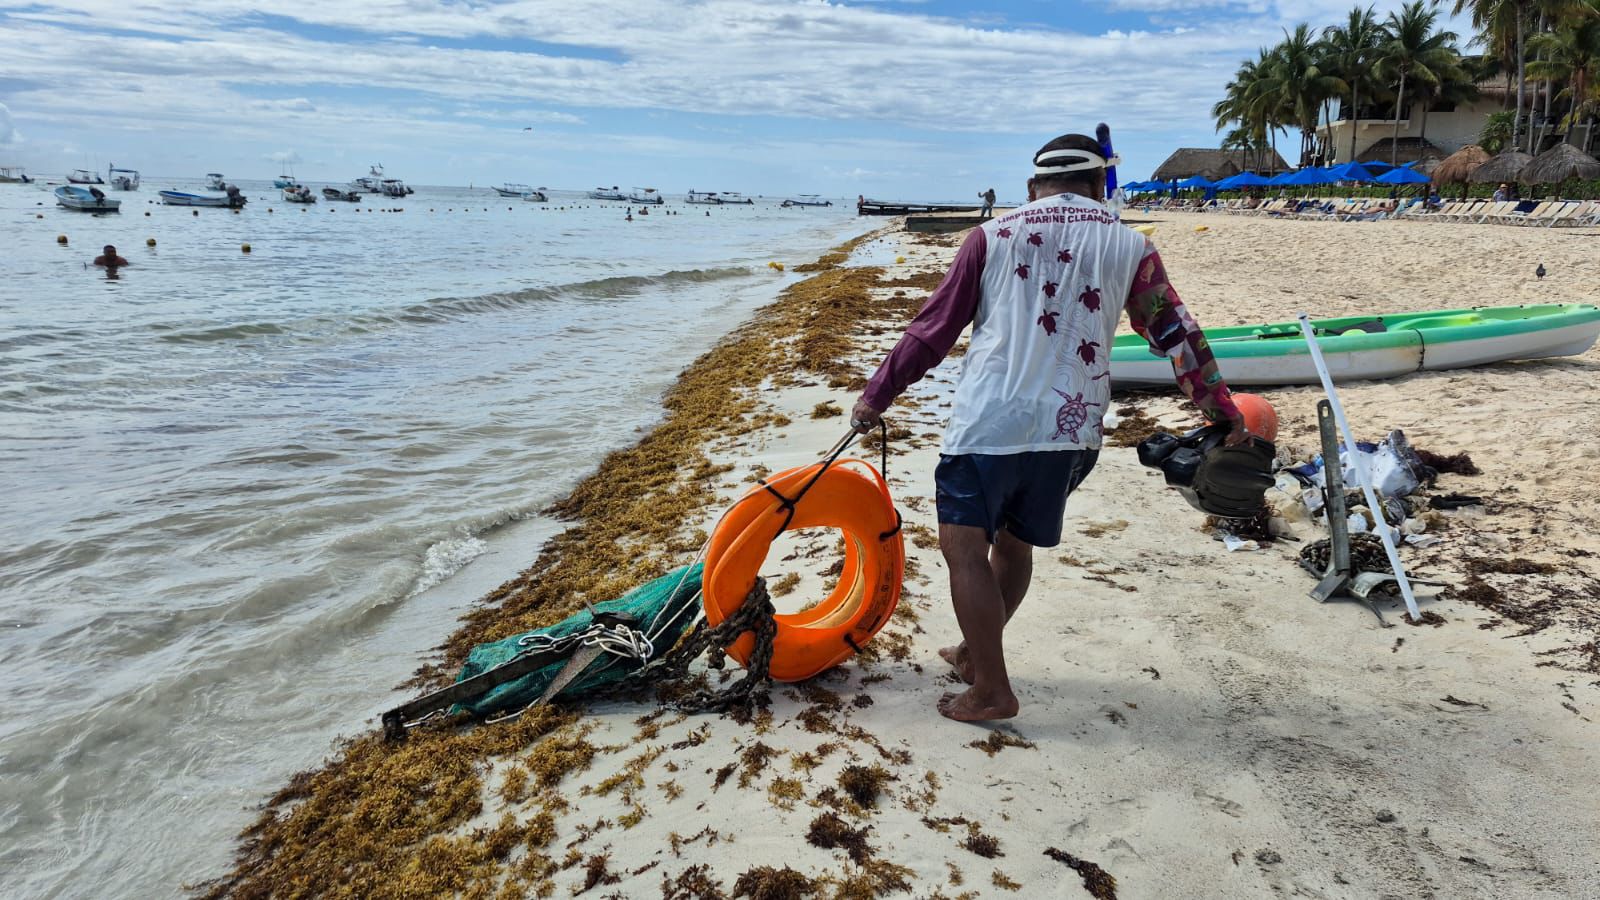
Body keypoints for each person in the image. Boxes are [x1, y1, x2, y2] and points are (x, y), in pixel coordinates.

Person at [850, 133, 1247, 722]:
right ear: (1097, 185)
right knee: (1014, 545)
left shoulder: (991, 236)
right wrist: (1221, 409)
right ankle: (970, 655)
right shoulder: (1130, 245)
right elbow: (1176, 334)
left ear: (1032, 187)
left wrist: (877, 395)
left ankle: (991, 689)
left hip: (991, 422)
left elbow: (932, 331)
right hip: (1073, 427)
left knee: (965, 551)